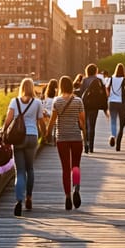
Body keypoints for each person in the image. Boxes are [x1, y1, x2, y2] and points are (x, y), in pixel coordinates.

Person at [1, 77, 45, 217]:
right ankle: (29, 198)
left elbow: (8, 120)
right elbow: (40, 121)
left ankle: (19, 201)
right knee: (30, 168)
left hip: (18, 138)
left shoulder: (14, 101)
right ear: (32, 88)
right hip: (32, 137)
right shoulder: (37, 102)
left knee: (20, 171)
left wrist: (3, 133)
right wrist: (45, 134)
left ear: (21, 88)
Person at [46, 75, 87, 210]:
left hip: (61, 138)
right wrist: (85, 136)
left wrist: (47, 133)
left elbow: (52, 120)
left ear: (61, 86)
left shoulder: (57, 101)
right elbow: (82, 121)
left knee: (65, 168)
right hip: (76, 137)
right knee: (76, 166)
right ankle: (76, 188)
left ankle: (68, 197)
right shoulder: (78, 101)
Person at [78, 64, 107, 154]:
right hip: (94, 106)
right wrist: (105, 108)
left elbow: (81, 93)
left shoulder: (84, 80)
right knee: (92, 126)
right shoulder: (98, 80)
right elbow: (103, 95)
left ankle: (85, 144)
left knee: (85, 126)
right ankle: (91, 147)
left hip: (84, 105)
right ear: (95, 71)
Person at [106, 63, 125, 152]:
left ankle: (113, 136)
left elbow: (106, 87)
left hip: (112, 102)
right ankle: (118, 141)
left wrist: (109, 95)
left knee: (113, 121)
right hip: (121, 103)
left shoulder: (111, 79)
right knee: (122, 124)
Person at [41, 78, 58, 145]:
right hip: (54, 114)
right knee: (54, 126)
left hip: (47, 114)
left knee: (48, 126)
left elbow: (43, 106)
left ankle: (47, 139)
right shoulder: (56, 97)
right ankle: (54, 139)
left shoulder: (46, 97)